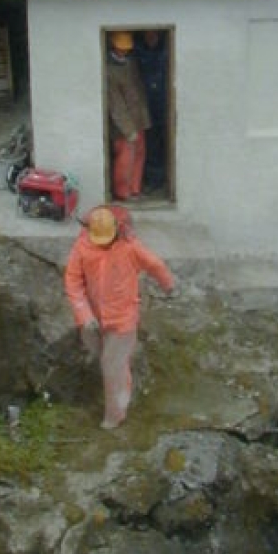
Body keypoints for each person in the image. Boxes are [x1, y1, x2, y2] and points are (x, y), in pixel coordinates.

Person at [64, 204, 175, 429]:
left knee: (111, 364)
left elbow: (155, 264)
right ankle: (121, 384)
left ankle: (115, 415)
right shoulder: (82, 247)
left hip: (122, 318)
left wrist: (168, 285)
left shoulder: (130, 247)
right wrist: (84, 315)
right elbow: (73, 282)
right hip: (94, 318)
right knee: (101, 355)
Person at [106, 31, 151, 201]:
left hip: (137, 118)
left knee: (139, 154)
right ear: (114, 46)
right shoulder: (109, 71)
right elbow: (115, 105)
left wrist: (144, 118)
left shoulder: (130, 62)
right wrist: (127, 129)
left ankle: (135, 190)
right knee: (125, 158)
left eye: (125, 48)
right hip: (122, 125)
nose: (123, 51)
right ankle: (123, 193)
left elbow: (138, 90)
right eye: (120, 48)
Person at [135, 30, 167, 192]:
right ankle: (153, 181)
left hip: (166, 106)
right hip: (147, 108)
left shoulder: (166, 51)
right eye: (148, 34)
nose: (151, 38)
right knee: (152, 147)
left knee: (165, 145)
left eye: (154, 34)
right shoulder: (139, 52)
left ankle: (161, 180)